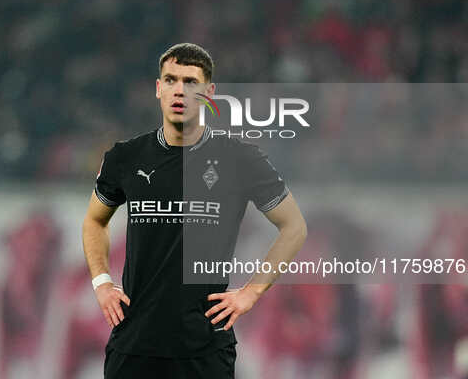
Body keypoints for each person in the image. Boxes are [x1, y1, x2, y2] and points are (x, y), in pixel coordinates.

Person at [82, 42, 307, 378]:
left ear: (209, 93)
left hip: (204, 350)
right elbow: (95, 221)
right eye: (170, 80)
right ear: (158, 89)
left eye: (190, 82)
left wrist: (251, 292)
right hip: (134, 346)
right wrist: (101, 282)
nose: (179, 90)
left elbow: (294, 227)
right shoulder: (125, 158)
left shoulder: (240, 159)